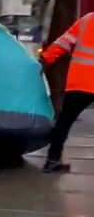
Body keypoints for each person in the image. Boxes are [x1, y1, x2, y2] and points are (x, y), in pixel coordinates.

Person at [40, 12, 94, 173]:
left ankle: (51, 161)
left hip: (79, 81)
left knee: (64, 121)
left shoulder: (87, 20)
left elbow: (63, 43)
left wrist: (47, 58)